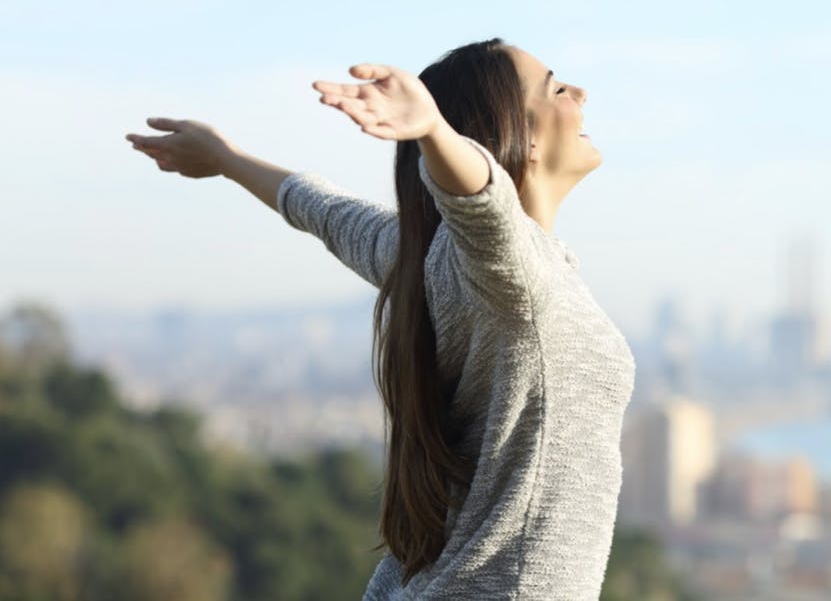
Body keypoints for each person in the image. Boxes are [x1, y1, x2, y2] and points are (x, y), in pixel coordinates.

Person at [124, 38, 637, 600]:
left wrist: (227, 159)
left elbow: (325, 211)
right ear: (523, 139)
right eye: (557, 89)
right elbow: (483, 206)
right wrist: (436, 132)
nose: (581, 93)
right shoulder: (512, 273)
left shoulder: (429, 261)